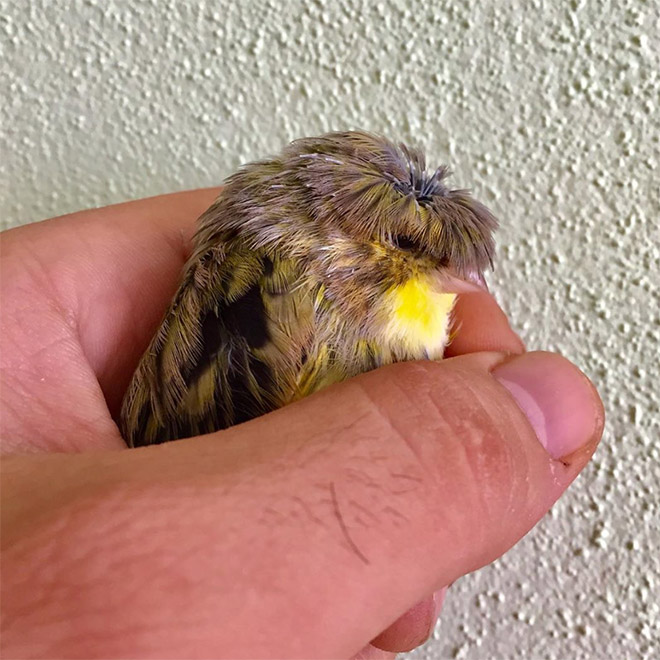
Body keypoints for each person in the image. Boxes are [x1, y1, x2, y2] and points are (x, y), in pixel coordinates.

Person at [0, 189, 604, 659]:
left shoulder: (300, 286)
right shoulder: (304, 308)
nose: (451, 280)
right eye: (409, 249)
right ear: (342, 237)